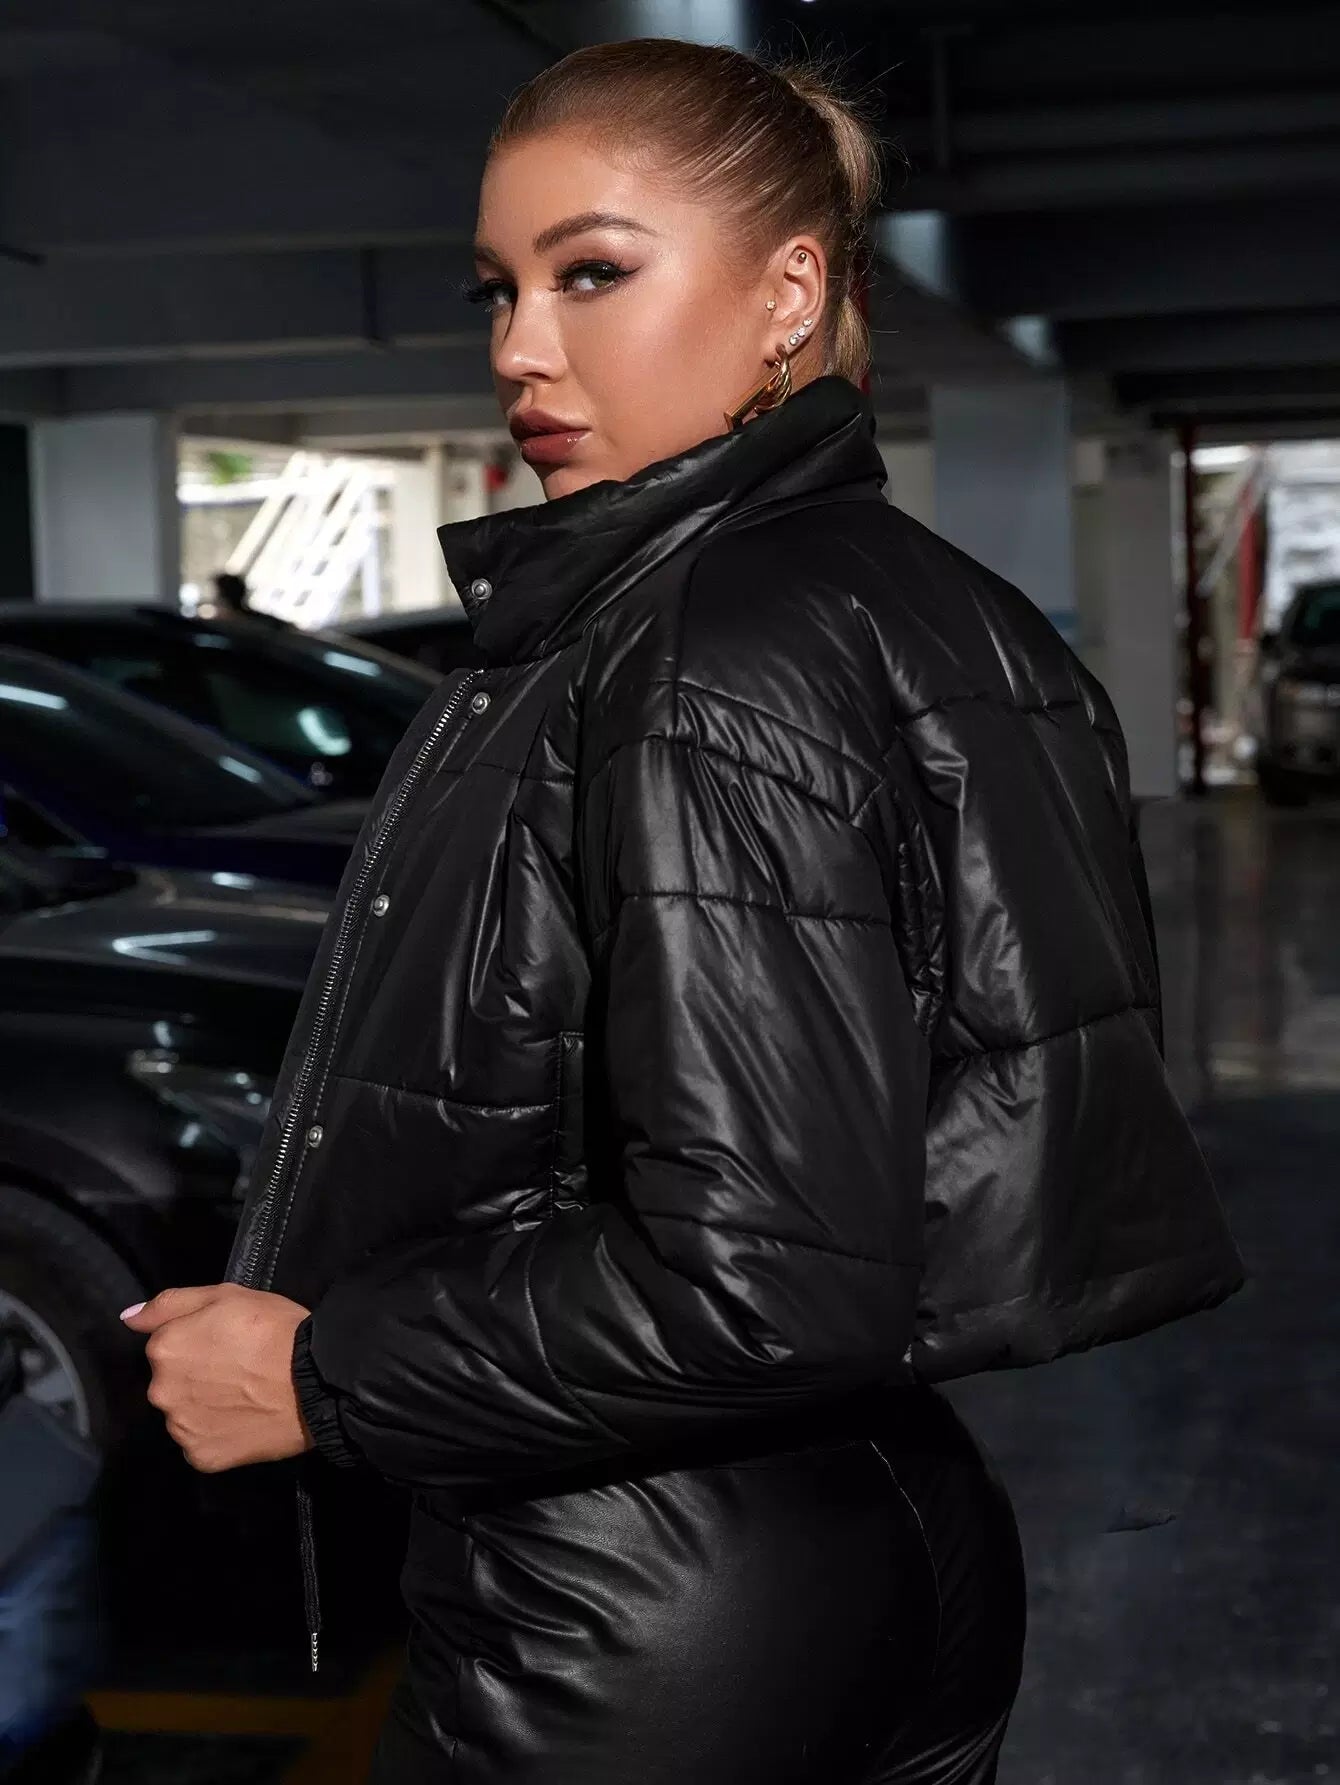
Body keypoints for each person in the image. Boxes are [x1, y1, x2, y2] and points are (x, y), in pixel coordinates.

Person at [121, 39, 1244, 1785]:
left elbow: (763, 1279)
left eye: (591, 273)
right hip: (889, 1535)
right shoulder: (934, 609)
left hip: (631, 1605)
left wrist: (321, 1370)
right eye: (498, 289)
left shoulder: (700, 645)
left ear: (790, 291)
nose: (520, 347)